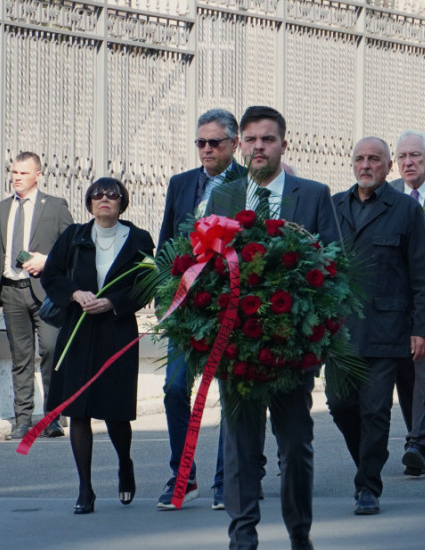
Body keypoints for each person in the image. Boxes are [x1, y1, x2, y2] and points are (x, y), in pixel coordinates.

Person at [209, 105, 340, 550]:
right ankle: (242, 537)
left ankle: (299, 533)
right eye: (251, 139)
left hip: (291, 346)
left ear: (284, 143)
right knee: (240, 449)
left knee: (296, 446)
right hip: (236, 346)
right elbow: (205, 263)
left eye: (268, 139)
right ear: (240, 145)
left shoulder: (314, 193)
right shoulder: (224, 196)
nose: (259, 147)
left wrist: (313, 333)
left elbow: (334, 265)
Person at [328, 136, 425, 515]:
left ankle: (368, 486)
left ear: (388, 167)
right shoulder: (334, 207)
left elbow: (422, 275)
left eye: (374, 159)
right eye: (360, 159)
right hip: (340, 332)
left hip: (386, 328)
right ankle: (368, 458)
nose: (366, 165)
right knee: (340, 404)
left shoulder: (405, 210)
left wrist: (423, 329)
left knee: (376, 409)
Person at [41, 178, 154, 514]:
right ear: (89, 202)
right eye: (98, 195)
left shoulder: (138, 239)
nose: (105, 200)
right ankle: (85, 489)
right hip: (78, 330)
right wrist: (75, 294)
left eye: (112, 195)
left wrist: (113, 303)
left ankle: (125, 466)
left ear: (123, 202)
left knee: (115, 411)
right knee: (79, 409)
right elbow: (51, 275)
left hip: (117, 331)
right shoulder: (74, 236)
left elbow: (146, 285)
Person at [158, 108, 243, 511]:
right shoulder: (181, 184)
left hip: (229, 304)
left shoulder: (251, 184)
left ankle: (225, 481)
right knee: (175, 388)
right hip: (185, 305)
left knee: (228, 392)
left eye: (215, 143)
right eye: (201, 142)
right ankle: (183, 473)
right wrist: (164, 295)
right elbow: (165, 247)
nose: (206, 149)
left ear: (234, 144)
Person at [0, 152, 73, 440]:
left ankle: (53, 417)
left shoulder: (54, 207)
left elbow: (72, 249)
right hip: (12, 292)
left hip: (46, 292)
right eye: (13, 172)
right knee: (21, 358)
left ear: (38, 175)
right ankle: (23, 420)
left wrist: (47, 260)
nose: (16, 177)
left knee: (52, 350)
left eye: (23, 173)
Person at [389, 130, 425, 476]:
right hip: (397, 301)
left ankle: (419, 443)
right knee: (406, 375)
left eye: (415, 156)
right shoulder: (390, 194)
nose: (408, 162)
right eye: (403, 157)